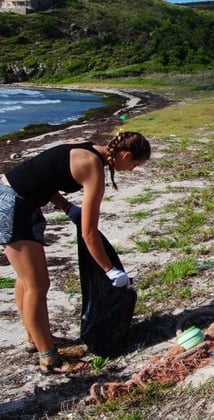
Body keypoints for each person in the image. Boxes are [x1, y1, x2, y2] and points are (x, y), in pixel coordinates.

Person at [0, 131, 151, 374]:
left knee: (26, 280)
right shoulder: (93, 168)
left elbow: (43, 176)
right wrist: (109, 270)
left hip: (15, 199)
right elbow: (88, 233)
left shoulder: (86, 146)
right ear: (125, 156)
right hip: (14, 206)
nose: (132, 170)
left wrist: (67, 206)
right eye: (135, 165)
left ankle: (35, 338)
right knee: (37, 285)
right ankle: (49, 358)